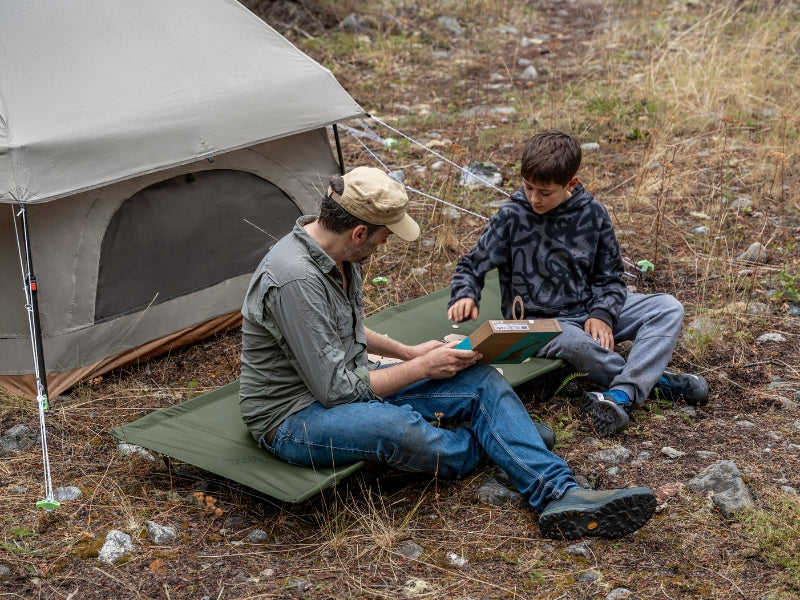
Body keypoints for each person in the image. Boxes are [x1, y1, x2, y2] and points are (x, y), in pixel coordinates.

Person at [239, 165, 657, 539]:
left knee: (479, 381)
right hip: (293, 417)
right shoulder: (294, 279)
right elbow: (336, 392)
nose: (384, 245)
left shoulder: (339, 254)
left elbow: (343, 325)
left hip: (343, 382)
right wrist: (423, 366)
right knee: (398, 429)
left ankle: (558, 493)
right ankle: (503, 440)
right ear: (359, 232)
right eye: (384, 236)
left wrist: (407, 352)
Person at [448, 130, 708, 436]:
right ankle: (646, 386)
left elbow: (610, 278)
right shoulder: (511, 216)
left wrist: (602, 314)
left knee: (667, 307)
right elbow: (472, 264)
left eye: (544, 192)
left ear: (570, 183)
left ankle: (622, 393)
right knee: (576, 343)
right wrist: (465, 293)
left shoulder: (593, 214)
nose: (534, 198)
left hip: (586, 309)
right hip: (537, 324)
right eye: (528, 187)